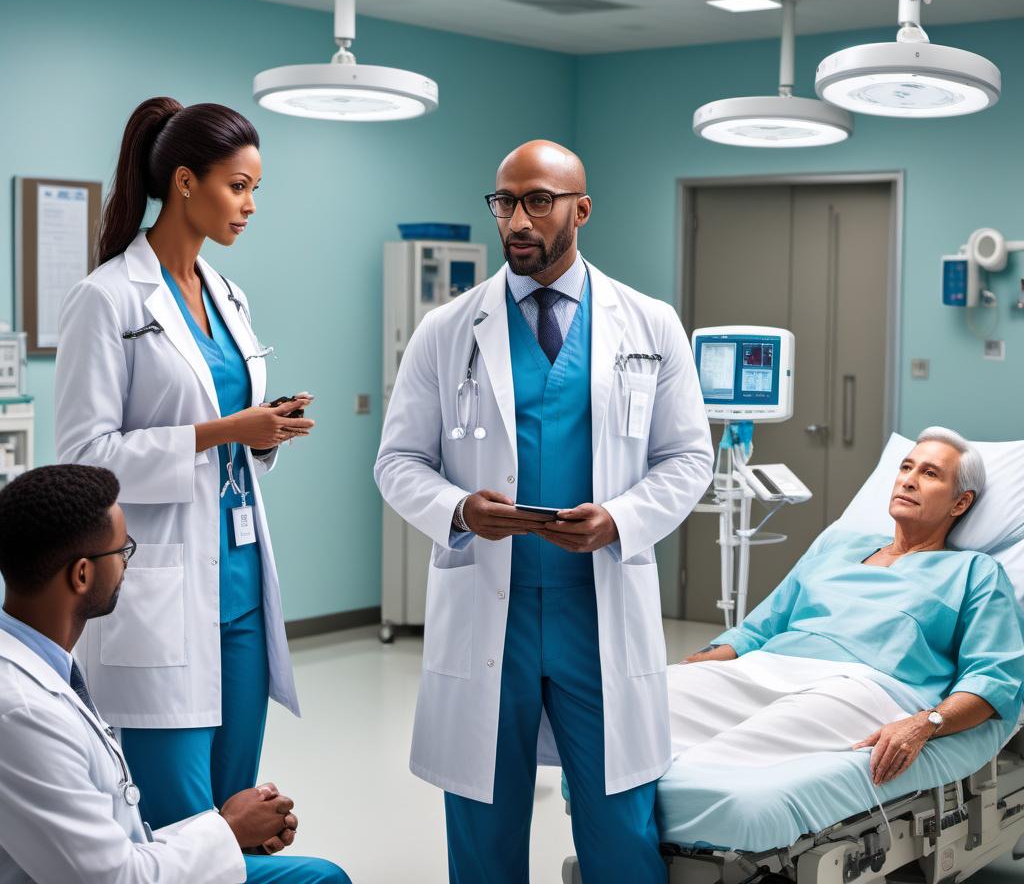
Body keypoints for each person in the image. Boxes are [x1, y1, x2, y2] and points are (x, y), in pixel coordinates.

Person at [375, 140, 714, 883]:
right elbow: (397, 462)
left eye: (538, 201)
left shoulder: (650, 324)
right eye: (504, 202)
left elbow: (690, 458)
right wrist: (460, 508)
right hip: (487, 605)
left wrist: (620, 519)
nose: (517, 220)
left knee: (620, 823)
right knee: (483, 826)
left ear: (580, 210)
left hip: (597, 608)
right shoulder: (445, 330)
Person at [54, 97, 316, 834]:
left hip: (239, 588)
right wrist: (222, 429)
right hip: (159, 596)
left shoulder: (228, 296)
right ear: (184, 183)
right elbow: (83, 461)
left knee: (236, 814)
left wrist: (262, 437)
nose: (251, 206)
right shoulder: (105, 299)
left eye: (255, 189)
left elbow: (231, 444)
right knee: (175, 823)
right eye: (239, 186)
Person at [0, 463, 350, 884]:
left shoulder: (46, 664)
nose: (129, 562)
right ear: (82, 574)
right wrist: (228, 830)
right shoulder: (21, 712)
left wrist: (229, 828)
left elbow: (116, 844)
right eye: (123, 550)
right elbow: (116, 878)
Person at [670, 427, 1024, 786]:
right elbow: (757, 630)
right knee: (649, 705)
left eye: (929, 474)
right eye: (905, 468)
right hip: (764, 668)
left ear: (960, 503)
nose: (909, 481)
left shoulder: (974, 572)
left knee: (711, 766)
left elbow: (993, 677)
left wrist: (927, 722)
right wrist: (692, 666)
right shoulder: (839, 547)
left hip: (859, 687)